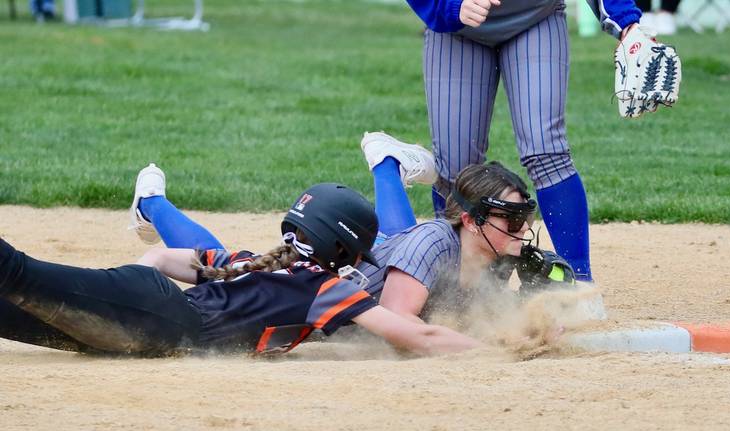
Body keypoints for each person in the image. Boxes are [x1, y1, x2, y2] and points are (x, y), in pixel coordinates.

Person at [128, 132, 575, 325]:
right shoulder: (436, 242)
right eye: (510, 217)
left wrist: (531, 308)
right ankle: (151, 202)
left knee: (394, 238)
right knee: (232, 271)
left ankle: (386, 162)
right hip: (321, 283)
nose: (523, 227)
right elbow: (403, 323)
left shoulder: (492, 259)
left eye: (524, 217)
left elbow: (480, 315)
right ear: (471, 219)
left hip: (380, 256)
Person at [0, 183, 483, 358]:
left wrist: (143, 274)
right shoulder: (323, 287)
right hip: (160, 318)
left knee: (9, 310)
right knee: (18, 274)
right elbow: (416, 336)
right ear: (341, 247)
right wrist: (493, 348)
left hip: (151, 317)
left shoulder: (256, 263)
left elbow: (169, 259)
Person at [402, 0, 646, 282]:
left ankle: (579, 285)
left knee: (546, 152)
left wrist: (626, 22)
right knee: (456, 171)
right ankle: (456, 287)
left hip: (535, 16)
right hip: (458, 27)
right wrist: (447, 7)